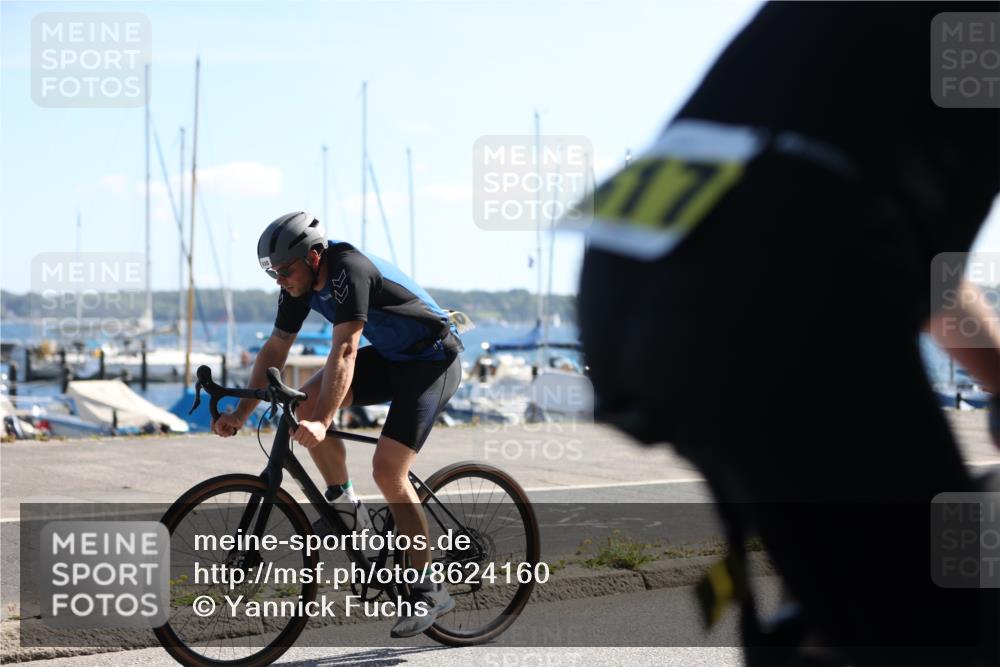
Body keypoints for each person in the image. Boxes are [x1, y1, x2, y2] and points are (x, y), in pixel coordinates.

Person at [577, 2, 1000, 665]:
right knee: (945, 616)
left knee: (855, 596)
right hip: (783, 273)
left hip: (629, 261)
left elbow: (914, 265)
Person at [212, 211, 463, 638]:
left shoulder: (350, 269)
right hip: (392, 358)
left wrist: (324, 422)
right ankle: (347, 507)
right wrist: (240, 413)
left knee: (387, 470)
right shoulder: (297, 284)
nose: (280, 280)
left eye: (285, 271)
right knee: (304, 406)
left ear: (313, 257)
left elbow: (345, 349)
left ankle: (430, 588)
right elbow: (276, 348)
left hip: (432, 362)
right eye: (273, 274)